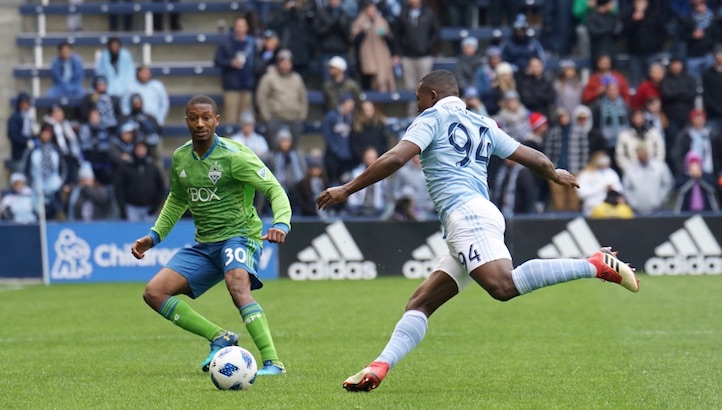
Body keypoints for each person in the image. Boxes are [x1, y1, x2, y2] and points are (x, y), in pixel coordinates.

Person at [316, 70, 639, 392]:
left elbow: (396, 157)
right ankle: (379, 366)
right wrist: (554, 174)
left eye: (418, 98)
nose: (416, 104)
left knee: (502, 286)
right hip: (476, 214)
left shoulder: (432, 117)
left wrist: (348, 188)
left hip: (467, 216)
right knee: (420, 303)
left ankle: (593, 265)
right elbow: (533, 156)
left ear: (432, 96)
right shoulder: (483, 122)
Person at [130, 95, 292, 376]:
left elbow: (275, 190)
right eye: (194, 118)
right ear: (186, 122)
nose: (200, 123)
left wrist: (282, 224)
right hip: (205, 244)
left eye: (206, 117)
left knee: (237, 283)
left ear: (217, 120)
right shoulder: (181, 157)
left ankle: (273, 362)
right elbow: (177, 200)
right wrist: (154, 236)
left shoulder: (234, 156)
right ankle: (220, 337)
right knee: (154, 293)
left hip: (240, 235)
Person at [214, 16, 258, 125]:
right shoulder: (226, 43)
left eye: (243, 26)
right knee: (231, 119)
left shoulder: (251, 43)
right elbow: (217, 61)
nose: (240, 29)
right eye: (238, 26)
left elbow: (257, 61)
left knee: (246, 119)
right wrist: (230, 63)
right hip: (231, 87)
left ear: (247, 28)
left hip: (247, 85)